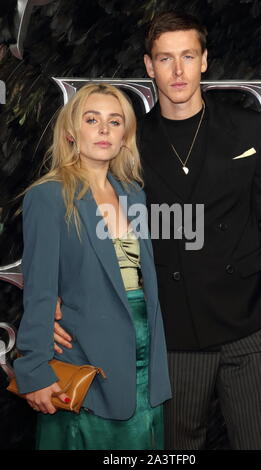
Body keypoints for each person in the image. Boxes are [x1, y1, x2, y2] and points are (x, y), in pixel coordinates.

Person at [54, 12, 261, 449]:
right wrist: (57, 296)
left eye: (188, 56)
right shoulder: (129, 142)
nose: (178, 70)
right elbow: (89, 221)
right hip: (172, 336)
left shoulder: (246, 127)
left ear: (204, 60)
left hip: (251, 327)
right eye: (166, 59)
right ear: (149, 66)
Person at [13, 82, 171, 450]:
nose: (104, 129)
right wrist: (34, 369)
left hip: (144, 356)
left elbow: (141, 280)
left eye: (115, 122)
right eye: (92, 119)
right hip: (85, 355)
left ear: (125, 137)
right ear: (71, 131)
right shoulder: (49, 196)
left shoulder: (134, 194)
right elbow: (40, 292)